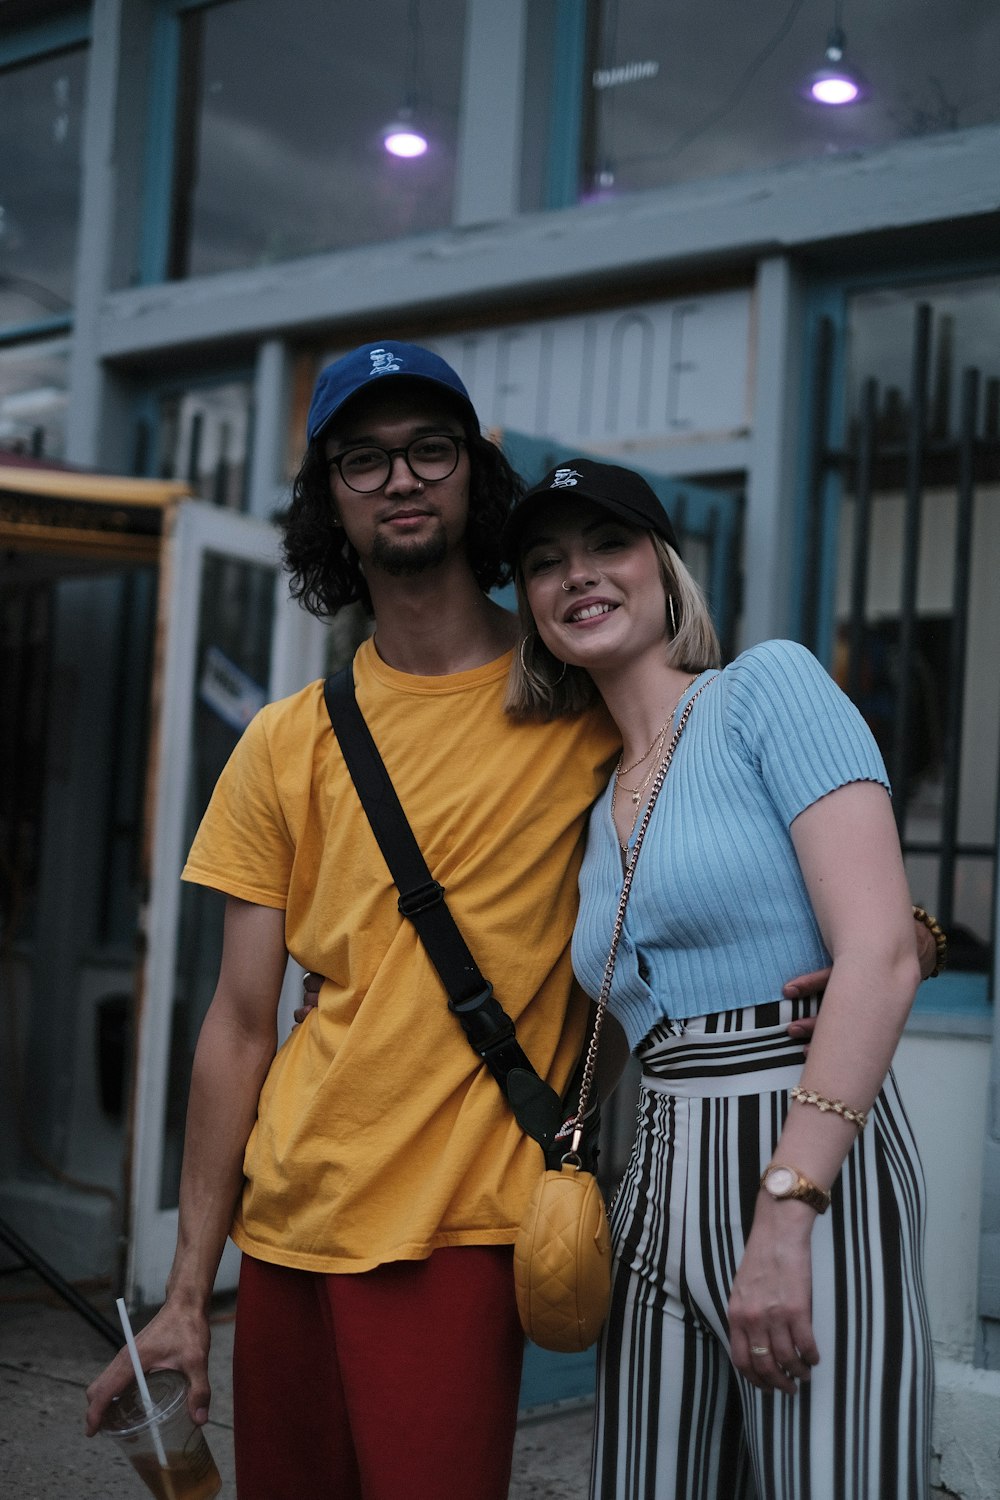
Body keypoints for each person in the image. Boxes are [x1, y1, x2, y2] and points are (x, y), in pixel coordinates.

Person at [84, 346, 935, 1499]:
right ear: (327, 497)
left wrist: (896, 939)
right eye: (362, 458)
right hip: (289, 1226)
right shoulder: (287, 740)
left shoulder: (585, 701)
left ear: (470, 476)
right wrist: (187, 1293)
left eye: (428, 448)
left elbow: (777, 847)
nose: (399, 479)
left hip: (467, 1228)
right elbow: (239, 1025)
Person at [500, 458, 934, 1500]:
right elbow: (618, 1018)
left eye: (608, 545)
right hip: (654, 1171)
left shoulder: (763, 690)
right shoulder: (591, 795)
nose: (580, 576)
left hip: (801, 1155)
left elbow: (878, 948)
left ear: (664, 568)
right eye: (547, 563)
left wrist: (785, 1214)